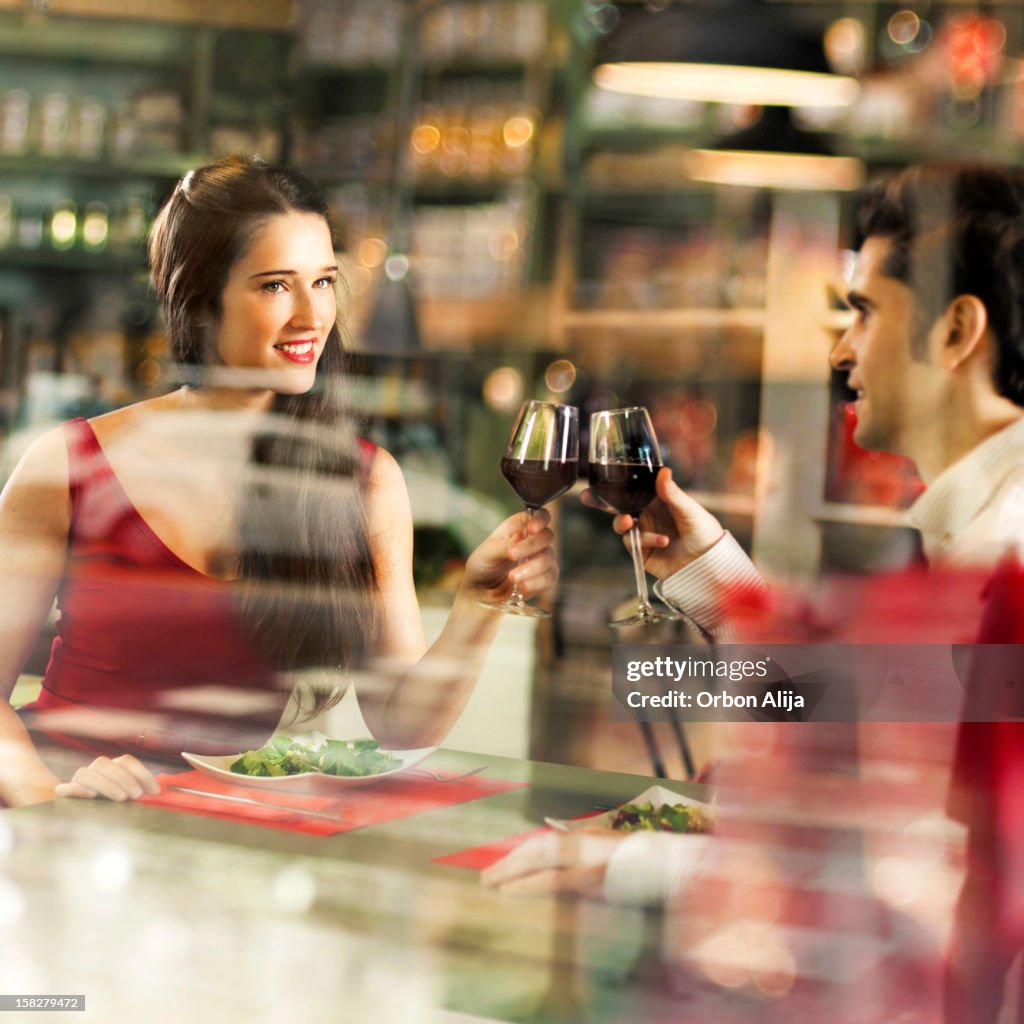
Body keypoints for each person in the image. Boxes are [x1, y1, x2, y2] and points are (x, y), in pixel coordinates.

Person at [484, 163, 1024, 1016]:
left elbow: (917, 853)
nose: (843, 350)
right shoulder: (971, 524)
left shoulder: (1007, 553)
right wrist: (714, 576)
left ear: (958, 330)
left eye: (865, 311)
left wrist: (629, 865)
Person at [0, 155, 557, 808]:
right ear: (200, 299)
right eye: (274, 286)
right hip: (62, 826)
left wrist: (480, 603)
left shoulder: (366, 482)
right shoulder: (68, 465)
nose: (310, 317)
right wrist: (52, 800)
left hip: (230, 837)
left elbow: (400, 725)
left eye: (323, 282)